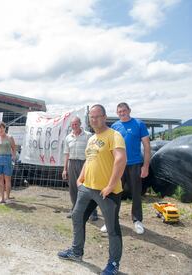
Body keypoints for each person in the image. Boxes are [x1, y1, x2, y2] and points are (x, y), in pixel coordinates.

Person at [58, 104, 126, 275]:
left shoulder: (114, 135)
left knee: (112, 228)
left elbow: (120, 159)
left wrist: (111, 185)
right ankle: (76, 252)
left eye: (97, 116)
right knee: (77, 217)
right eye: (91, 117)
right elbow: (89, 160)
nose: (94, 120)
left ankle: (113, 264)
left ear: (104, 117)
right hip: (87, 188)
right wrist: (81, 178)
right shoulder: (91, 138)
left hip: (107, 192)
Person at [109, 102, 150, 235]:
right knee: (114, 192)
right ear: (117, 113)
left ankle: (137, 220)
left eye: (124, 111)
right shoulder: (115, 126)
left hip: (135, 164)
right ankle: (112, 220)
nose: (122, 113)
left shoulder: (139, 124)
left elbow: (147, 146)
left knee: (136, 193)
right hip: (118, 165)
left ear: (129, 110)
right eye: (119, 111)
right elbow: (111, 147)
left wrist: (146, 166)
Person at [62, 116, 98, 221]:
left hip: (85, 163)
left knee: (88, 187)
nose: (74, 126)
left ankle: (92, 212)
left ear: (80, 124)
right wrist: (65, 169)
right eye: (72, 125)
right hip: (72, 163)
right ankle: (75, 210)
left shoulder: (88, 136)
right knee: (73, 188)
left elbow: (93, 152)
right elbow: (66, 154)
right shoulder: (68, 137)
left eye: (76, 124)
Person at [0, 121, 16, 204]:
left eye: (2, 127)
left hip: (7, 159)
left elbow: (14, 148)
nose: (0, 129)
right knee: (0, 179)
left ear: (5, 128)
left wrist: (13, 157)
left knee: (7, 179)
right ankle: (1, 198)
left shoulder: (10, 137)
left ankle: (7, 198)